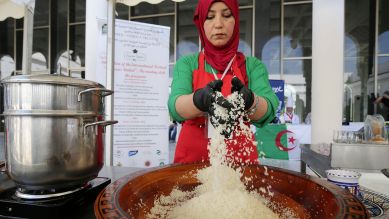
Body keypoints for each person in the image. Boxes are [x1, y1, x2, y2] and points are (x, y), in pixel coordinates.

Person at [167, 0, 279, 164]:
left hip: (241, 166)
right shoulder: (187, 64)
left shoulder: (252, 66)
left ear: (236, 21)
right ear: (201, 24)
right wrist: (198, 100)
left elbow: (269, 109)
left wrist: (250, 101)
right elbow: (174, 106)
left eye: (226, 15)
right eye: (210, 17)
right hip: (191, 165)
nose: (218, 24)